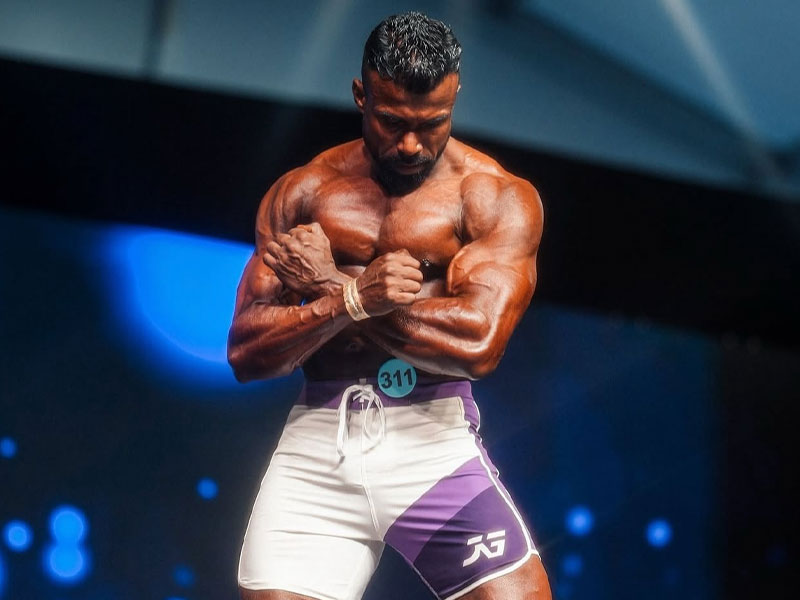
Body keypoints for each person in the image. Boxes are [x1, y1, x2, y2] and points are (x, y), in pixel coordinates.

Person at [228, 11, 550, 600]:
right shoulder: (304, 191)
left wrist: (334, 286)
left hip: (431, 440)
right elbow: (247, 352)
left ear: (455, 96)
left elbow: (478, 346)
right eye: (393, 121)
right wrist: (352, 298)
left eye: (432, 124)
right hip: (320, 443)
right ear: (362, 96)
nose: (410, 144)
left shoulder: (493, 196)